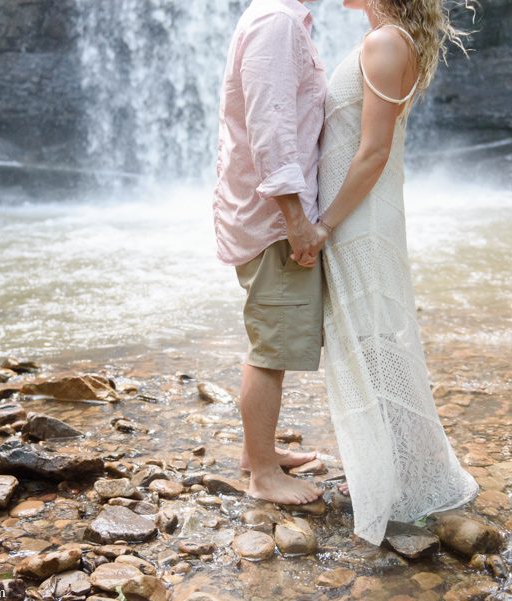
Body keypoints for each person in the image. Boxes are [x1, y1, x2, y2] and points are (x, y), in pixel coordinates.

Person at [306, 0, 480, 544]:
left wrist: (324, 224)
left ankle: (404, 483)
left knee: (370, 339)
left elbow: (374, 149)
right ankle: (398, 470)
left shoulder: (385, 43)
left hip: (358, 216)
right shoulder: (390, 37)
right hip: (358, 211)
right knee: (369, 338)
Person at [213, 0, 328, 505]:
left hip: (269, 217)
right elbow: (271, 127)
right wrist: (296, 219)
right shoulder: (277, 22)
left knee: (270, 342)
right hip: (275, 222)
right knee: (271, 349)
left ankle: (257, 452)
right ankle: (262, 473)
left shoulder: (278, 19)